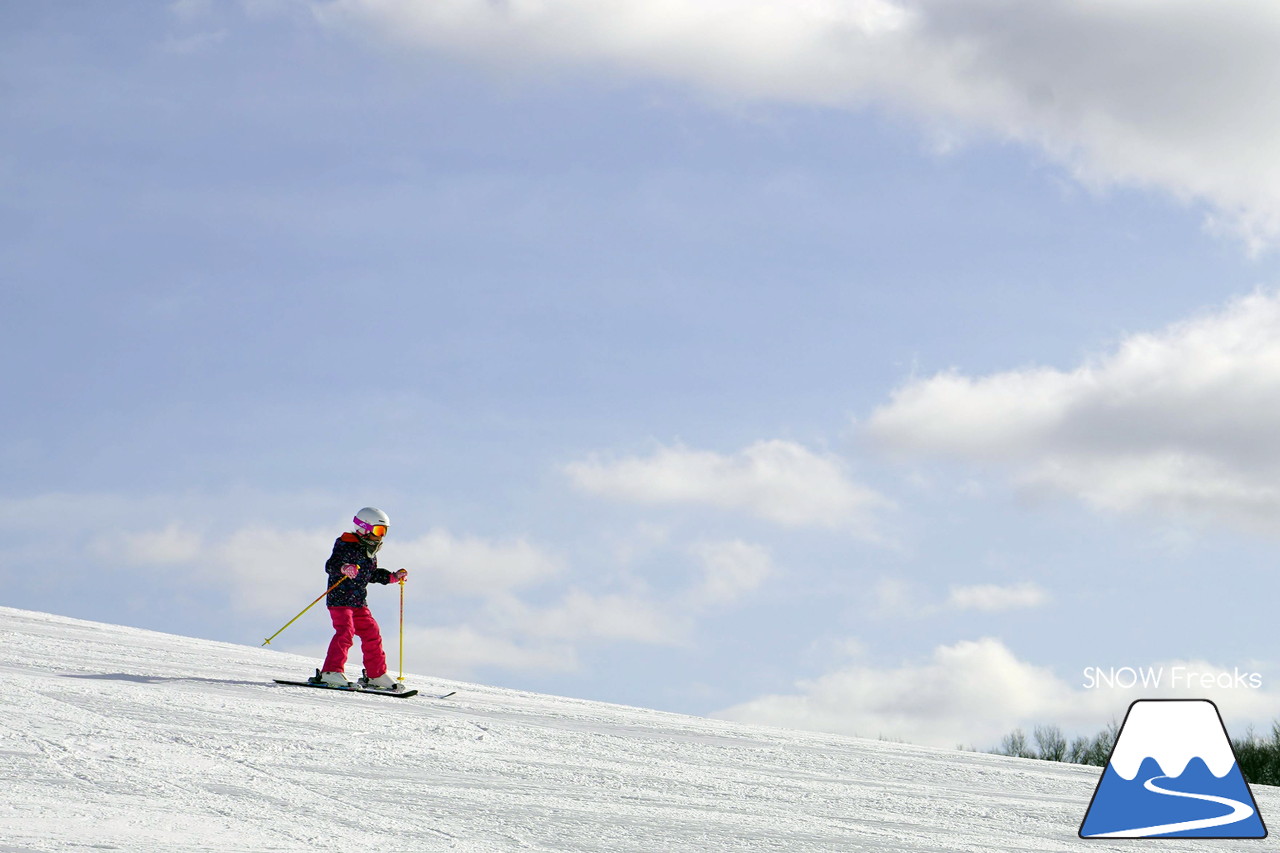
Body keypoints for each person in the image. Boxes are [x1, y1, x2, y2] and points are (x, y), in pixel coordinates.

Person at [315, 506, 408, 690]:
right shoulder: (345, 544)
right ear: (364, 528)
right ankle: (331, 672)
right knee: (346, 632)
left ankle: (376, 674)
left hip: (358, 601)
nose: (381, 536)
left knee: (372, 632)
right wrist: (344, 568)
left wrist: (392, 576)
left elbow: (370, 574)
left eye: (384, 532)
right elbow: (331, 565)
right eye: (378, 530)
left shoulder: (369, 552)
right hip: (340, 599)